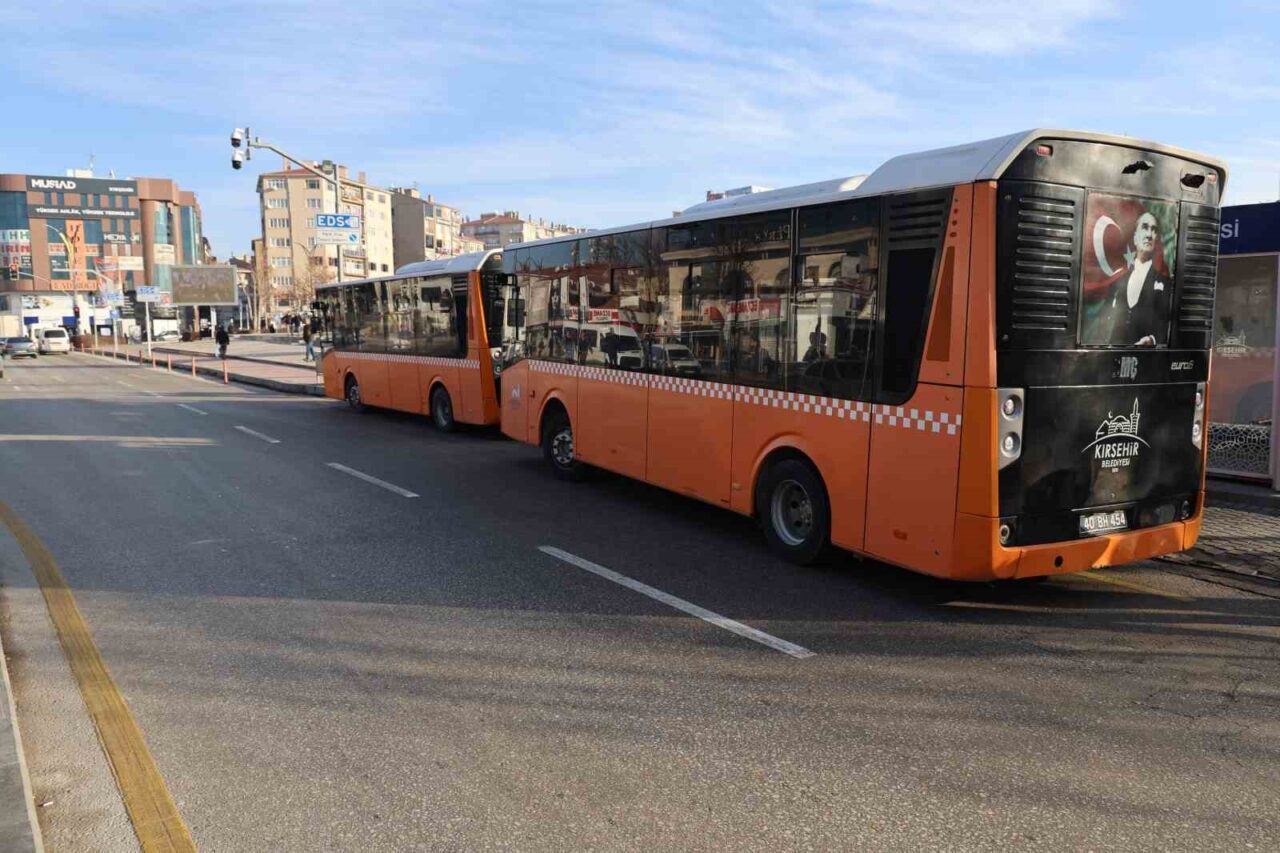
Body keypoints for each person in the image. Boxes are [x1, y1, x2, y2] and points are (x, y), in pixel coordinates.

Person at [1084, 210, 1171, 347]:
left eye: (1154, 230)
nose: (1149, 235)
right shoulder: (1118, 281)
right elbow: (1104, 323)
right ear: (1135, 238)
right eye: (1145, 227)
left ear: (1156, 239)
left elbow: (1168, 324)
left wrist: (1152, 340)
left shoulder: (1165, 283)